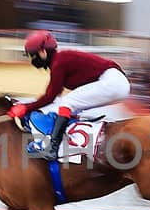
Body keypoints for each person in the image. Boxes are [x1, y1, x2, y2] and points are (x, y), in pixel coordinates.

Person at [7, 30, 130, 159]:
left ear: (42, 52)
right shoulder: (59, 62)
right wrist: (28, 106)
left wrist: (26, 108)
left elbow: (50, 96)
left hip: (113, 81)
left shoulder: (59, 62)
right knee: (66, 105)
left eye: (33, 55)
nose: (32, 60)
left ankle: (53, 148)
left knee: (68, 102)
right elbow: (53, 96)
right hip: (115, 82)